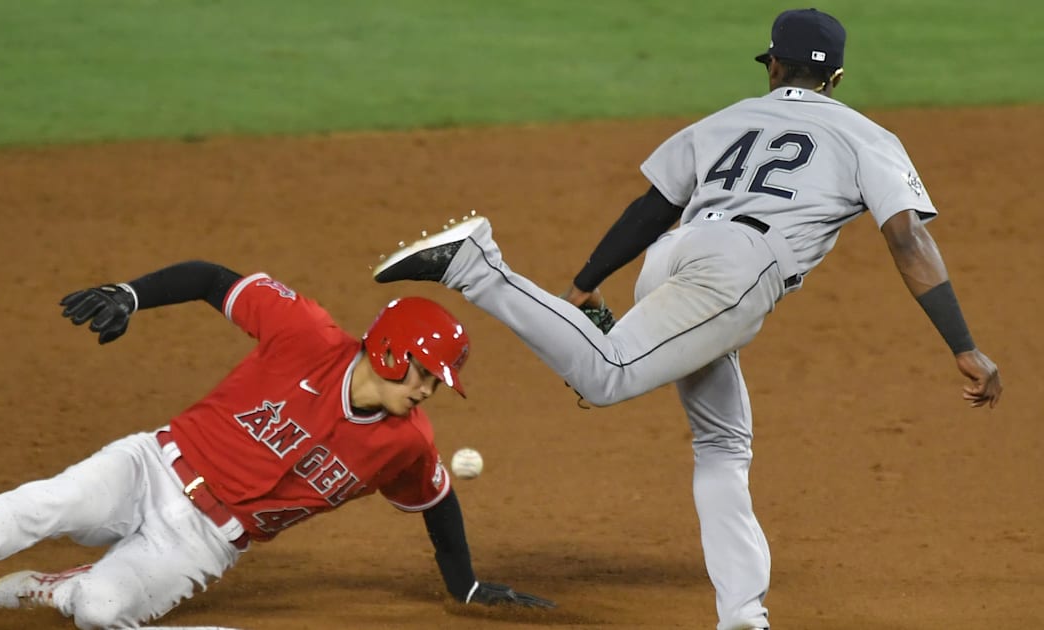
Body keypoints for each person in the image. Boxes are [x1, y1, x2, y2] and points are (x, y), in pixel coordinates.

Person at [370, 8, 1002, 630]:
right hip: (738, 270)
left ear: (774, 65)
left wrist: (587, 283)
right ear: (837, 78)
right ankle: (476, 266)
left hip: (673, 253)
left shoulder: (725, 120)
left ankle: (743, 616)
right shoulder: (868, 136)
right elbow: (907, 238)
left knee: (723, 442)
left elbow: (654, 208)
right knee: (606, 375)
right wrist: (964, 346)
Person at [0, 260, 554, 629]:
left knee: (101, 612)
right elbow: (208, 278)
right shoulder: (304, 335)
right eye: (428, 374)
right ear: (390, 351)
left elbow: (437, 499)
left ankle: (59, 591)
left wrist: (463, 587)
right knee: (42, 504)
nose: (433, 390)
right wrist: (129, 296)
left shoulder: (405, 443)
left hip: (202, 544)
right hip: (149, 467)